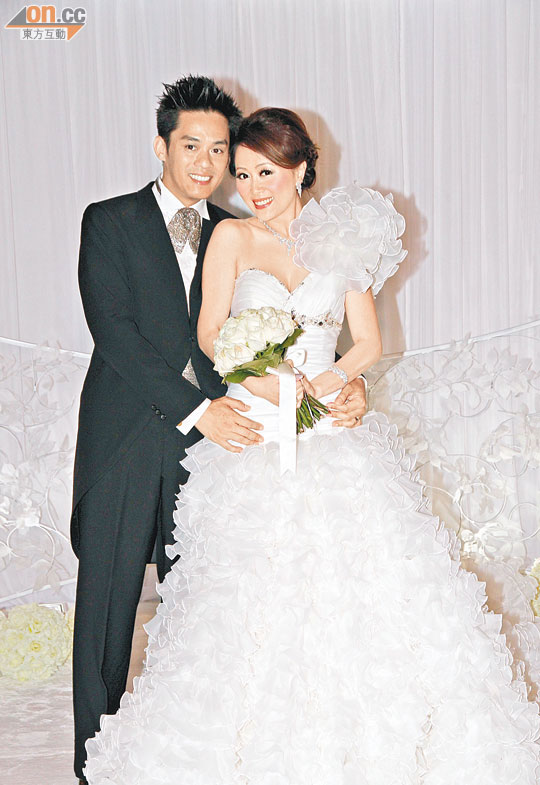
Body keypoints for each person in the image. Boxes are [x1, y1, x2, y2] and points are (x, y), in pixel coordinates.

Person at [84, 107, 540, 784]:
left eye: (265, 172)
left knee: (358, 590)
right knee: (248, 599)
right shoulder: (231, 236)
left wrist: (338, 383)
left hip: (331, 435)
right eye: (242, 175)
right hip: (256, 434)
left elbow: (370, 341)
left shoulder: (344, 237)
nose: (252, 187)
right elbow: (209, 333)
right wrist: (260, 379)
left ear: (300, 168)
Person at [72, 81, 367, 784]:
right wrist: (198, 408)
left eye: (218, 151)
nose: (207, 164)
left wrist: (348, 385)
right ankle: (92, 765)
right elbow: (116, 333)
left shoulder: (239, 228)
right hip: (129, 436)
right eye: (191, 146)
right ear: (161, 146)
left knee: (198, 618)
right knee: (107, 612)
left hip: (219, 444)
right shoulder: (109, 220)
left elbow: (296, 333)